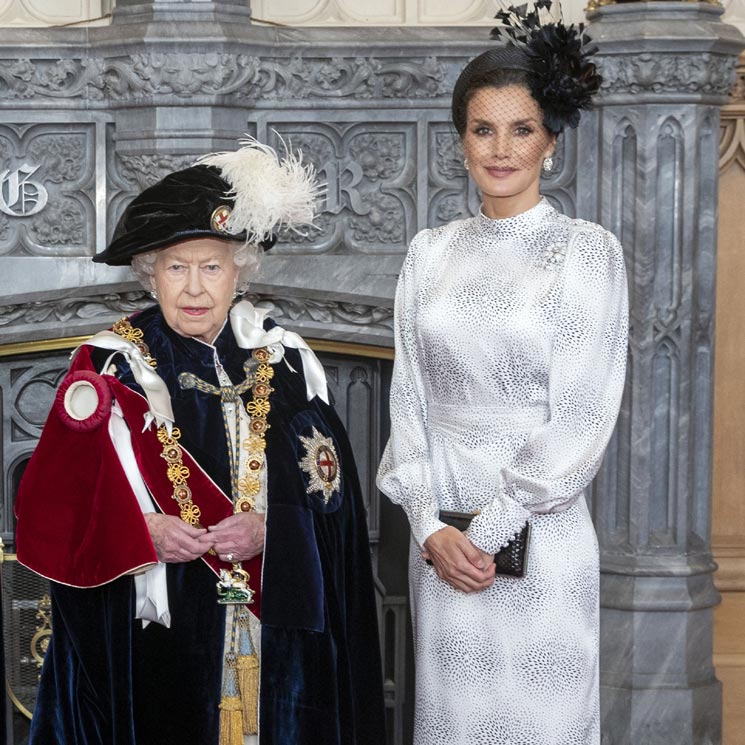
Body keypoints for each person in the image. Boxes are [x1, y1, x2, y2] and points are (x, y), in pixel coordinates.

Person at [15, 138, 386, 745]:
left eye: (211, 266)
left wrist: (271, 528)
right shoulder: (108, 368)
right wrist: (141, 530)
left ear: (239, 271)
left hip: (276, 624)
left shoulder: (287, 362)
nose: (194, 287)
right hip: (155, 634)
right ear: (150, 274)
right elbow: (47, 514)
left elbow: (334, 499)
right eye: (176, 266)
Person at [376, 4, 628, 744]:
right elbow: (409, 401)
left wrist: (488, 530)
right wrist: (428, 526)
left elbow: (581, 416)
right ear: (460, 141)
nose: (500, 147)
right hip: (443, 543)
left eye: (521, 129)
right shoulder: (428, 251)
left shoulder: (585, 251)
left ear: (550, 140)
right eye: (483, 128)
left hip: (539, 540)